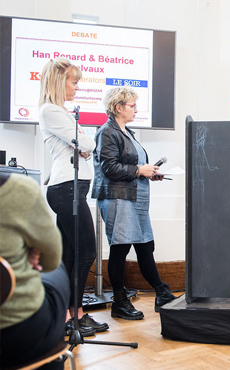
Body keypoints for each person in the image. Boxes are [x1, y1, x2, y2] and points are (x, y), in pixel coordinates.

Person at [92, 87, 177, 319]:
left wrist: (148, 173)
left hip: (135, 197)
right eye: (132, 105)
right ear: (118, 107)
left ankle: (162, 293)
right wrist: (139, 169)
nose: (136, 110)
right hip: (118, 198)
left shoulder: (126, 132)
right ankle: (119, 302)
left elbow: (130, 167)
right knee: (120, 249)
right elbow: (108, 168)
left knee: (145, 245)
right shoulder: (107, 132)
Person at [38, 58, 107, 336]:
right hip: (67, 189)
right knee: (86, 252)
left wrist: (81, 143)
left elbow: (84, 145)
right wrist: (82, 142)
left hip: (72, 188)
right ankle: (74, 316)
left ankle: (68, 315)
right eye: (73, 81)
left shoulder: (61, 113)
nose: (77, 87)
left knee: (68, 256)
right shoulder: (51, 111)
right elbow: (88, 143)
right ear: (58, 82)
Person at [0, 173, 69, 369]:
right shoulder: (19, 189)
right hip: (17, 333)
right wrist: (26, 255)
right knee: (57, 268)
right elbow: (50, 260)